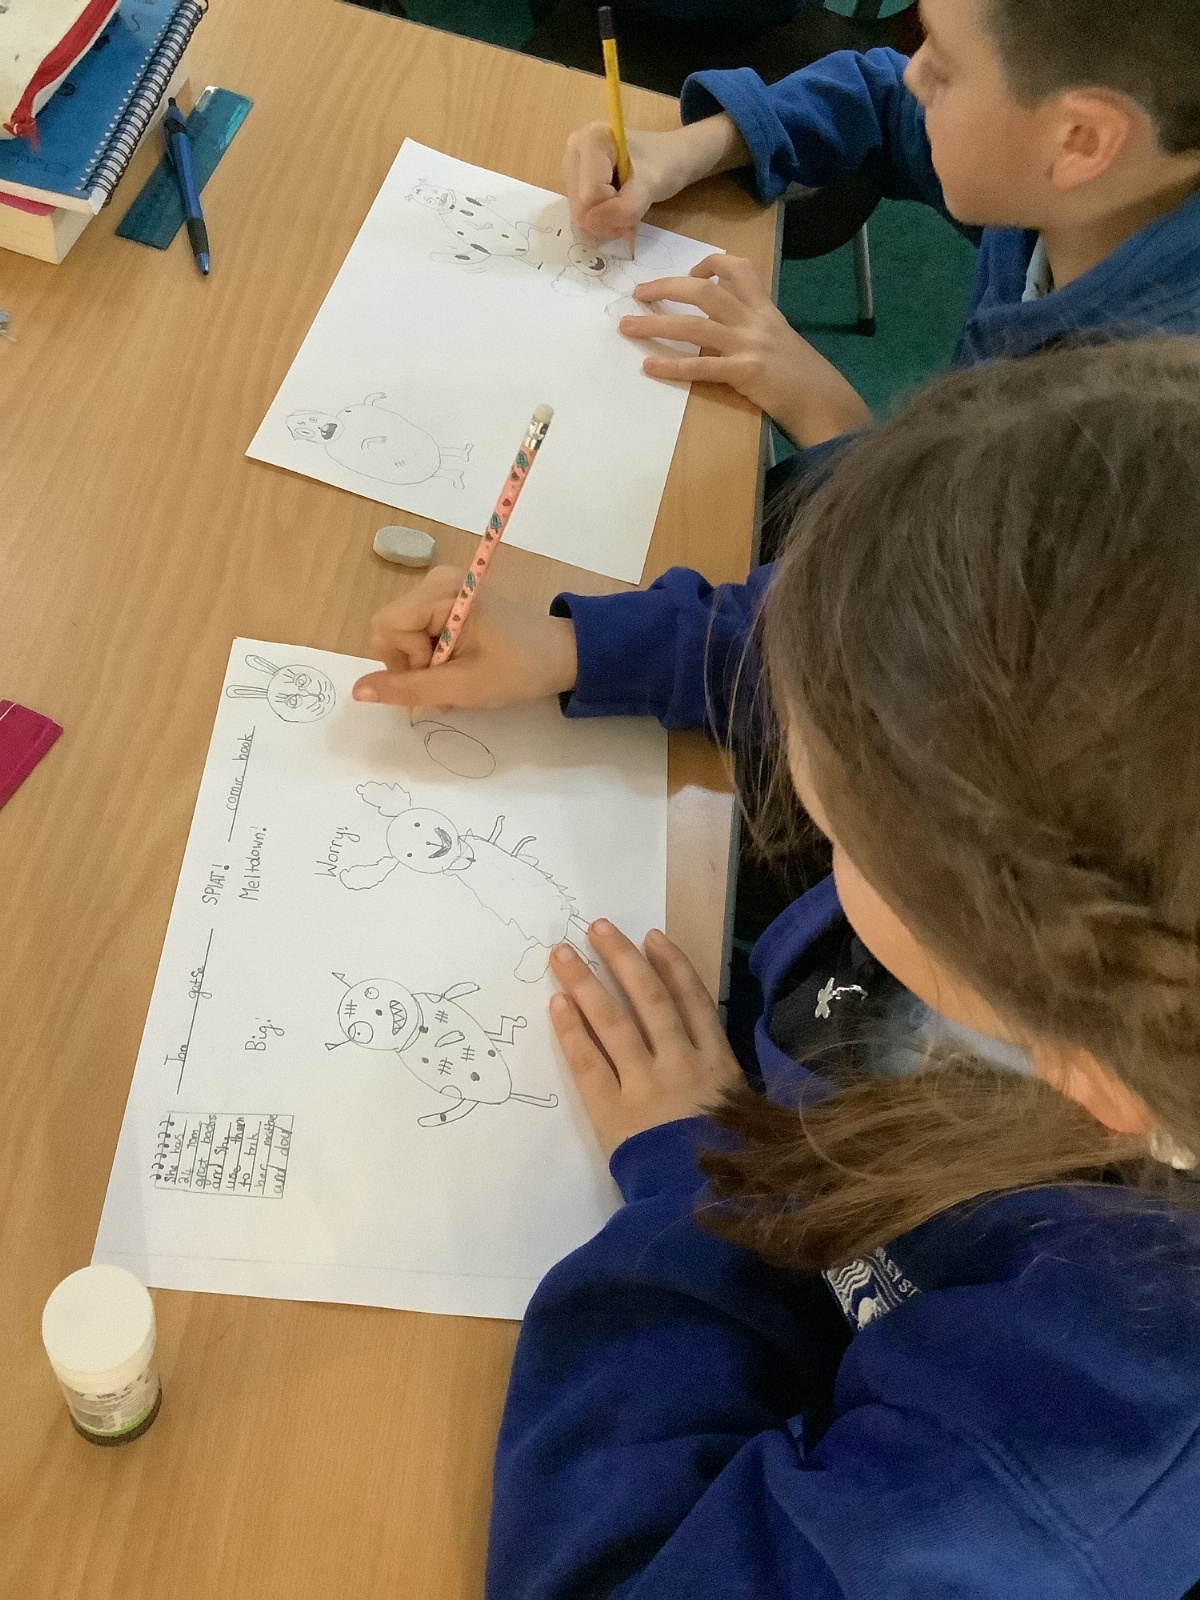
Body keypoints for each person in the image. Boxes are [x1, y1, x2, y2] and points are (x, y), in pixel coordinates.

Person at [354, 341, 1200, 1596]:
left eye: (845, 829)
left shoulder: (1071, 1433)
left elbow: (626, 1572)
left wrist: (692, 1180)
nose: (798, 733)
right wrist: (584, 651)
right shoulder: (1107, 846)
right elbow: (869, 660)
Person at [561, 0, 1200, 474]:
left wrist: (828, 413)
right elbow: (886, 100)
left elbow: (937, 592)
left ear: (1080, 140)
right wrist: (691, 149)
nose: (915, 75)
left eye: (942, 65)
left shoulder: (1127, 450)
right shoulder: (1107, 186)